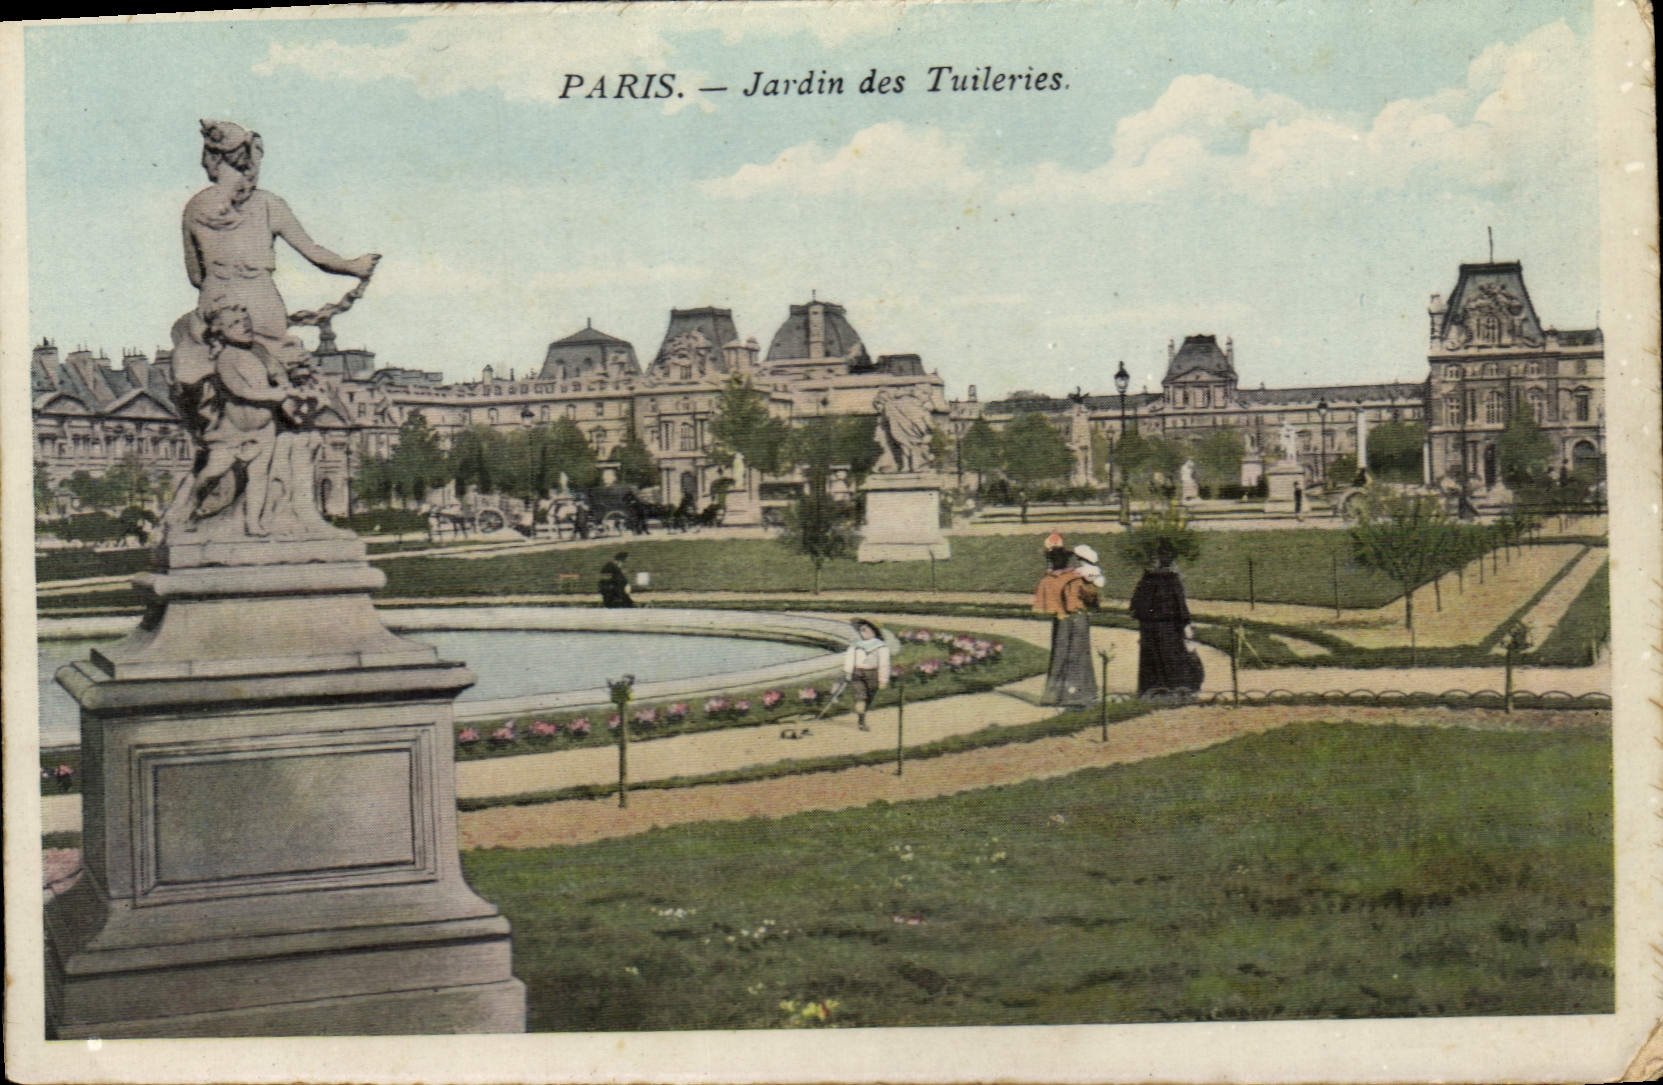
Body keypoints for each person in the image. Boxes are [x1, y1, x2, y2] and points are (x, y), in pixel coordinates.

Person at [1032, 533, 1099, 707]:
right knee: (1078, 653)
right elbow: (1087, 598)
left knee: (1059, 653)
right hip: (1077, 618)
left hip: (1060, 620)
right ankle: (1080, 693)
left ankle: (1054, 695)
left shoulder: (1048, 580)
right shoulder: (1075, 579)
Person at [1129, 540, 1200, 698]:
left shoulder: (1146, 579)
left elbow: (1135, 605)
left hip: (1149, 627)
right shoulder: (1172, 580)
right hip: (1169, 626)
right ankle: (1175, 689)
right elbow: (1180, 605)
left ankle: (1150, 689)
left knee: (1151, 658)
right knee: (1172, 657)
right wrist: (1186, 624)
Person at [842, 619, 891, 731]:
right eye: (861, 630)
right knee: (861, 697)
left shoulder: (881, 647)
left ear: (874, 631)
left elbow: (884, 664)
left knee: (868, 696)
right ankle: (861, 720)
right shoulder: (855, 645)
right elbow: (850, 659)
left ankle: (862, 716)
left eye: (865, 630)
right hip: (857, 672)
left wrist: (883, 679)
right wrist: (848, 672)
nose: (862, 632)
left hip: (873, 673)